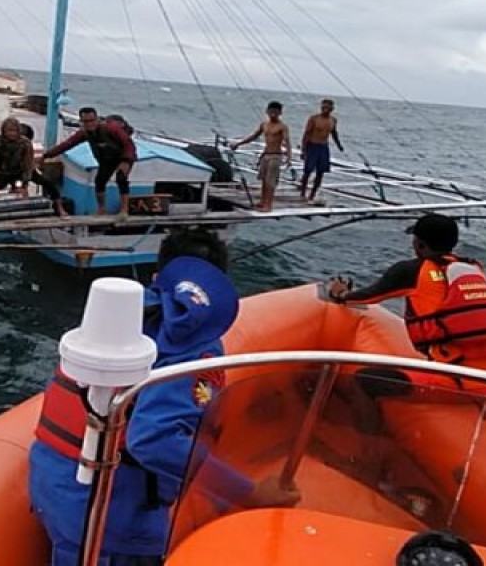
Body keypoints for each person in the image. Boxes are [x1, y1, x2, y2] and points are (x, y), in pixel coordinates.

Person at [29, 229, 301, 565]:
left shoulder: (116, 317)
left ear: (158, 275)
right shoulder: (193, 342)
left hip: (52, 488)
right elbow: (153, 439)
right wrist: (248, 492)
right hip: (112, 517)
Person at [325, 213, 486, 395]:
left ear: (419, 244)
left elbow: (364, 297)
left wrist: (340, 292)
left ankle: (369, 434)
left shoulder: (412, 270)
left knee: (365, 380)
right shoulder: (472, 269)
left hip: (459, 380)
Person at [41, 107, 137, 216]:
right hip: (107, 159)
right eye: (86, 122)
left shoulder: (111, 128)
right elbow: (67, 144)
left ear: (97, 119)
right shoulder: (84, 133)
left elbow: (129, 145)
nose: (89, 124)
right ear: (81, 122)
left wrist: (126, 161)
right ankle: (101, 209)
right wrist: (46, 155)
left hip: (123, 156)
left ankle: (124, 210)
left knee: (121, 178)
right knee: (100, 181)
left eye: (92, 121)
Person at [0, 117, 66, 217]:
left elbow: (27, 166)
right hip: (3, 172)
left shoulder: (25, 143)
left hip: (21, 171)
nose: (12, 134)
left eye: (15, 131)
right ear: (3, 131)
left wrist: (24, 184)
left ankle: (59, 208)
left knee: (49, 184)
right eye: (9, 131)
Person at [229, 101, 290, 212]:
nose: (273, 114)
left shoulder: (282, 126)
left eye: (276, 112)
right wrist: (238, 144)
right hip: (265, 155)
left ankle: (268, 205)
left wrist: (289, 158)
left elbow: (287, 141)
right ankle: (262, 201)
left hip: (275, 156)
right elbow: (253, 136)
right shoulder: (264, 124)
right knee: (263, 180)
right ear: (267, 111)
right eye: (271, 111)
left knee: (270, 181)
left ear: (280, 113)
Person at [299, 99, 344, 203]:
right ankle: (302, 193)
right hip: (312, 145)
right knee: (308, 170)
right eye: (324, 107)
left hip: (323, 147)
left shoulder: (333, 120)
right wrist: (303, 149)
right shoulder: (314, 118)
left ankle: (312, 195)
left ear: (332, 109)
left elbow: (334, 133)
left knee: (321, 172)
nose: (325, 110)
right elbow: (306, 134)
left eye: (328, 108)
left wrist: (339, 145)